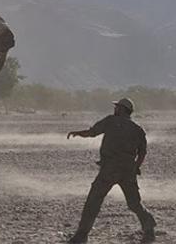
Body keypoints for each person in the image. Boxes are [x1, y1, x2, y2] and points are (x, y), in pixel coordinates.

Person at [66, 98, 156, 243]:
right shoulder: (137, 129)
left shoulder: (111, 121)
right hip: (127, 170)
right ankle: (149, 226)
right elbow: (143, 152)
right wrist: (136, 167)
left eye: (117, 107)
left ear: (121, 109)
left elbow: (92, 132)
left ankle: (82, 235)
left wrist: (78, 133)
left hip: (109, 169)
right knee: (134, 203)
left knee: (93, 200)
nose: (115, 109)